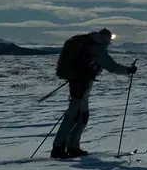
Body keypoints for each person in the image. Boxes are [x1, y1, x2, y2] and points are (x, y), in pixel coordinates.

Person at [51, 28, 136, 159]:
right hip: (81, 83)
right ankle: (59, 148)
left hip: (80, 82)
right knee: (75, 115)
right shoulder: (97, 48)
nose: (110, 42)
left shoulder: (88, 43)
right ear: (105, 38)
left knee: (80, 115)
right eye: (110, 39)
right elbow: (111, 66)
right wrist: (128, 70)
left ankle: (71, 146)